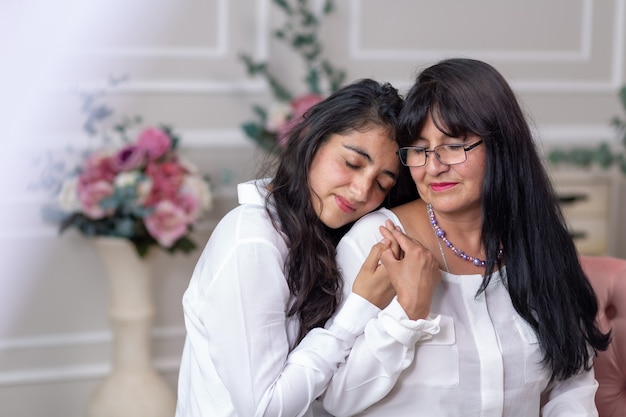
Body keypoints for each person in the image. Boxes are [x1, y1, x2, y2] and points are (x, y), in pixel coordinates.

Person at [321, 58, 611, 416]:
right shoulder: (379, 242)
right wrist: (407, 314)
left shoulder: (539, 241)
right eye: (420, 149)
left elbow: (572, 383)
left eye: (454, 145)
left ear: (501, 146)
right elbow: (336, 398)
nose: (433, 166)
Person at [175, 78, 417, 417]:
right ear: (310, 140)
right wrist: (360, 306)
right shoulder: (253, 241)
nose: (362, 191)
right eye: (352, 163)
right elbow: (265, 409)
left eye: (381, 183)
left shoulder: (314, 239)